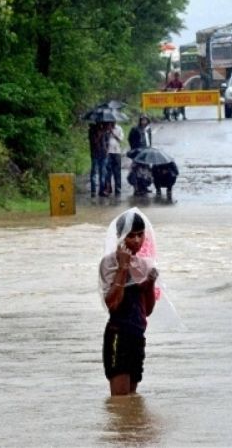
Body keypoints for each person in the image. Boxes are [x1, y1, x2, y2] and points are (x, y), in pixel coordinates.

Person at [99, 209, 159, 396]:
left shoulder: (144, 265)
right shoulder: (109, 263)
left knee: (131, 400)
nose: (136, 241)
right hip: (118, 335)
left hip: (137, 336)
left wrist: (149, 284)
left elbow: (147, 310)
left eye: (140, 235)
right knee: (120, 400)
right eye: (130, 236)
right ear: (120, 237)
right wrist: (123, 267)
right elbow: (113, 304)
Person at [104, 122, 125, 195]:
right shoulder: (106, 128)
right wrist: (108, 132)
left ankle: (118, 189)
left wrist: (113, 133)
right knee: (108, 172)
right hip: (108, 152)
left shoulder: (119, 128)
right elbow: (104, 139)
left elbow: (121, 139)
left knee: (117, 172)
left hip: (117, 152)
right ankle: (108, 188)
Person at [89, 122, 109, 197]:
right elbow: (94, 142)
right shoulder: (92, 130)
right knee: (94, 173)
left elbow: (106, 142)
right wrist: (99, 134)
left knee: (103, 173)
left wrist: (107, 150)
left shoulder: (104, 130)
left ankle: (102, 190)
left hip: (103, 154)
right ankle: (93, 191)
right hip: (95, 154)